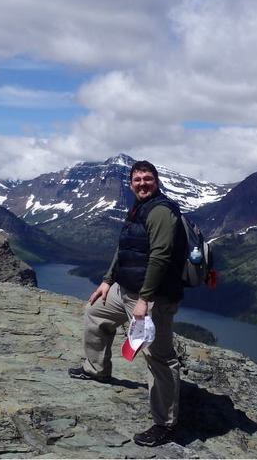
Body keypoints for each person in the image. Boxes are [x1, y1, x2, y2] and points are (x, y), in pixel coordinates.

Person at [68, 159, 186, 447]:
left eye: (147, 178)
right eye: (137, 179)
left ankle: (165, 424)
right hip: (124, 289)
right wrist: (108, 281)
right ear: (131, 183)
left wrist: (145, 300)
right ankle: (97, 369)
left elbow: (160, 257)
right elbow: (125, 248)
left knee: (158, 356)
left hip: (151, 298)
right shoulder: (138, 208)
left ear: (156, 181)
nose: (142, 183)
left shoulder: (159, 211)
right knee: (96, 312)